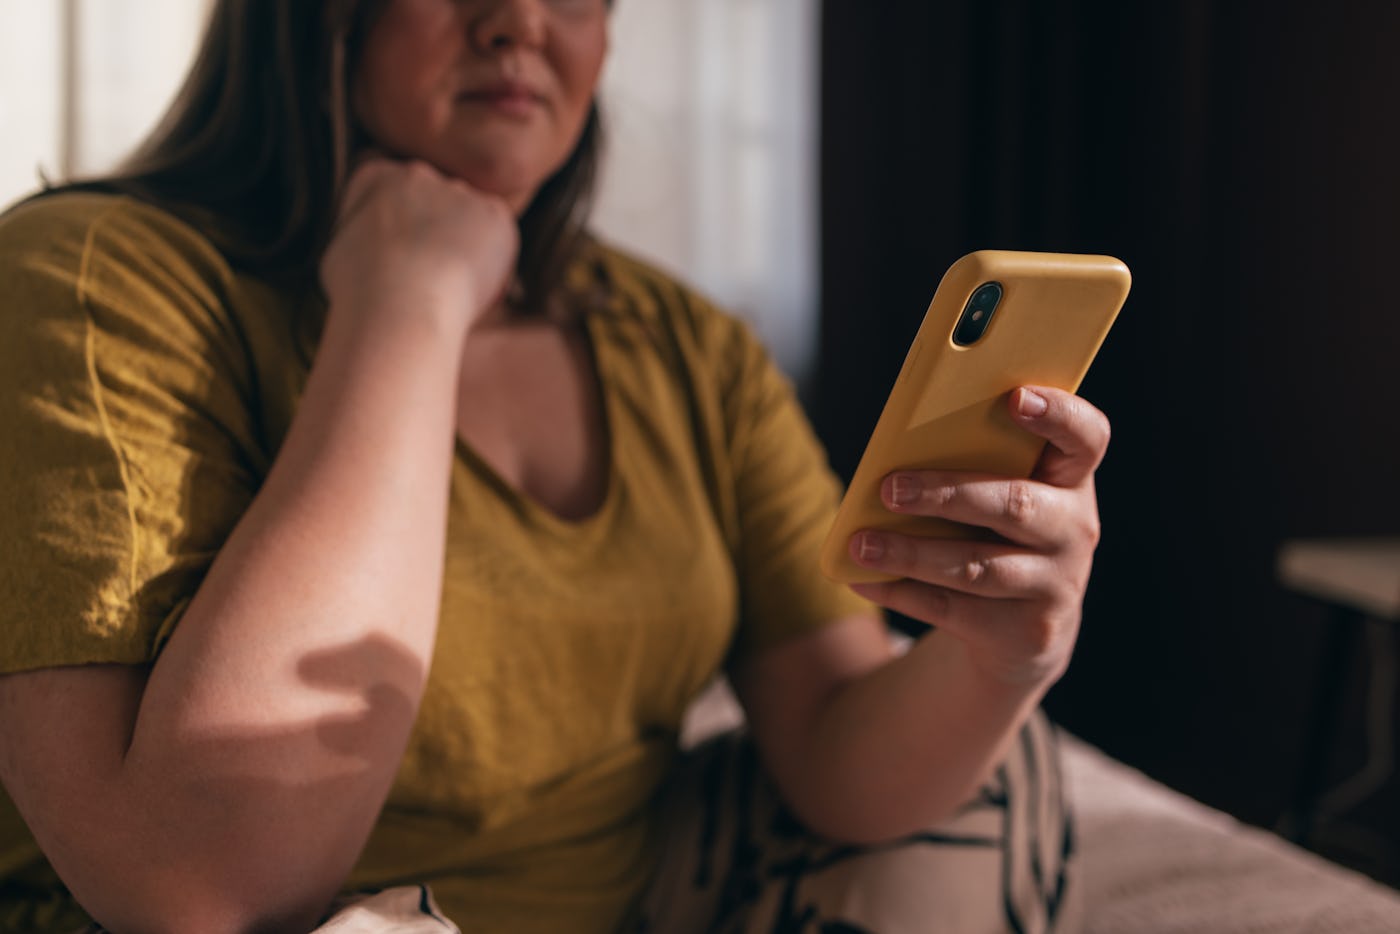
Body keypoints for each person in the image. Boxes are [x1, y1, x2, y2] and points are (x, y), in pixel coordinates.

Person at [0, 1, 1110, 932]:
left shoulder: (684, 347)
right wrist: (409, 304)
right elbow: (202, 888)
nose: (521, 22)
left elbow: (837, 756)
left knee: (1008, 766)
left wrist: (1005, 658)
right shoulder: (93, 276)